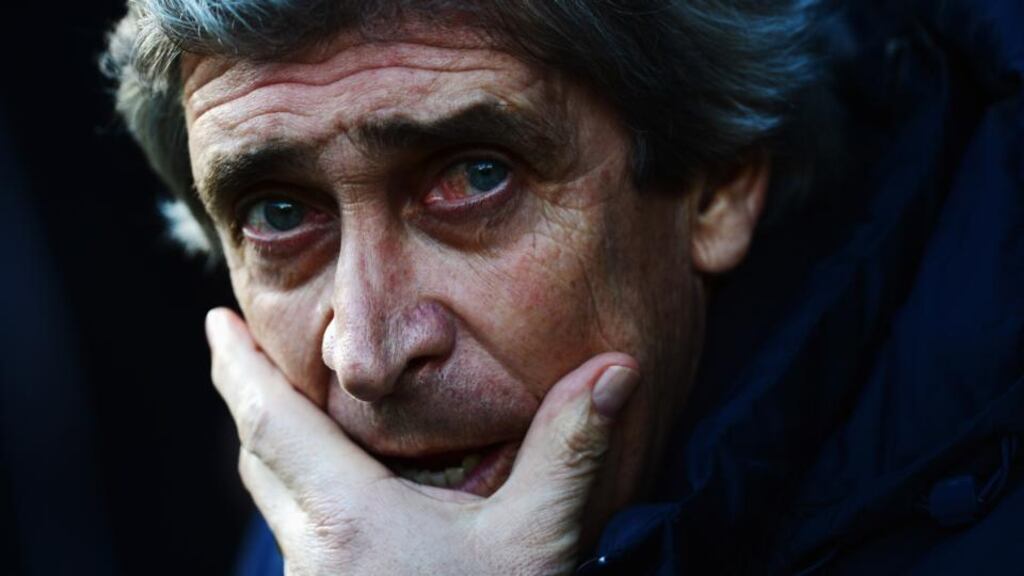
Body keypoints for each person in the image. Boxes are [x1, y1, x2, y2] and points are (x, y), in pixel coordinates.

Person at [102, 0, 1023, 573]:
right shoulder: (336, 532)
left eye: (471, 177)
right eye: (276, 214)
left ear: (717, 181)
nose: (368, 354)